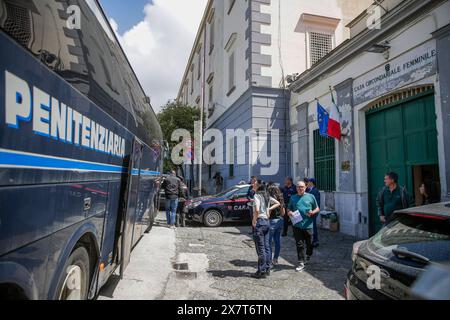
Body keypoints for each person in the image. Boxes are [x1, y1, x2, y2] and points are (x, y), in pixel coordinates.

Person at [287, 181, 321, 272]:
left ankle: (308, 254)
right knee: (299, 244)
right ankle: (301, 262)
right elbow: (289, 208)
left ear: (305, 187)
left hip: (308, 225)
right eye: (298, 187)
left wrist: (312, 212)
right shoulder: (293, 197)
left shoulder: (311, 196)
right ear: (296, 188)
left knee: (309, 243)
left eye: (302, 187)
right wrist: (289, 212)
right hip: (297, 225)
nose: (300, 188)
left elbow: (317, 208)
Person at [251, 180, 280, 279]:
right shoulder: (267, 196)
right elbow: (277, 203)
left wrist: (254, 220)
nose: (253, 185)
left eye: (254, 185)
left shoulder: (257, 196)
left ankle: (261, 271)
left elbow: (257, 210)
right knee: (267, 246)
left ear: (258, 187)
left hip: (260, 221)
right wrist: (269, 209)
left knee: (261, 248)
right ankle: (267, 269)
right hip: (267, 222)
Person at [267, 183, 285, 267]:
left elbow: (268, 213)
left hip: (271, 221)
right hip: (280, 220)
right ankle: (275, 259)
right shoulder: (281, 199)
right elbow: (283, 213)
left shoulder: (270, 200)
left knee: (269, 241)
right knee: (277, 240)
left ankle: (269, 261)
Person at [306, 178, 321, 248]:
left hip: (313, 212)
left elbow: (317, 203)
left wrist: (314, 211)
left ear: (311, 183)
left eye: (308, 182)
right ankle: (311, 241)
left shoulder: (315, 191)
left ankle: (315, 241)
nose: (307, 183)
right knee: (310, 227)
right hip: (308, 212)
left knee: (313, 227)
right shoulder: (309, 190)